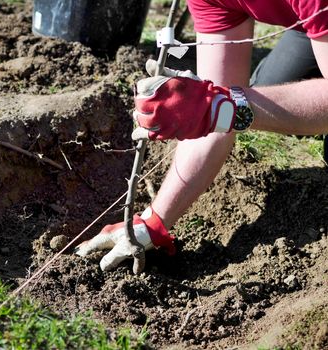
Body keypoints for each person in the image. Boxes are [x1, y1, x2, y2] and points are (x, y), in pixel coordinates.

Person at [75, 0, 328, 271]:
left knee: (266, 106)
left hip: (315, 10)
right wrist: (154, 221)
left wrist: (224, 107)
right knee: (264, 94)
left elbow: (222, 109)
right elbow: (214, 121)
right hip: (307, 23)